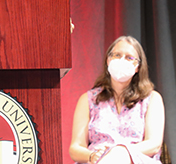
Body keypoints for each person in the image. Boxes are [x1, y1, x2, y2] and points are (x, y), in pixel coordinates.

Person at [69, 36, 165, 164]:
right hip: (96, 160)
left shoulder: (152, 99)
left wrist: (121, 152)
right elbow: (75, 148)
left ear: (137, 67)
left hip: (136, 159)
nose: (122, 60)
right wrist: (92, 156)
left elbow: (154, 145)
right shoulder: (88, 99)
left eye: (129, 57)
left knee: (119, 153)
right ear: (108, 60)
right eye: (117, 55)